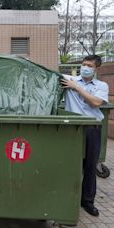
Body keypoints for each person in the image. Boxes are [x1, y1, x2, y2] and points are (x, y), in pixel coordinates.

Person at [61, 55, 109, 217]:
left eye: (89, 65)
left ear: (97, 69)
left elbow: (95, 103)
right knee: (70, 165)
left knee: (90, 165)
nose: (85, 67)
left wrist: (77, 88)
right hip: (73, 129)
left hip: (92, 128)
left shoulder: (102, 85)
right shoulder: (69, 79)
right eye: (83, 64)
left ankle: (87, 201)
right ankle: (66, 198)